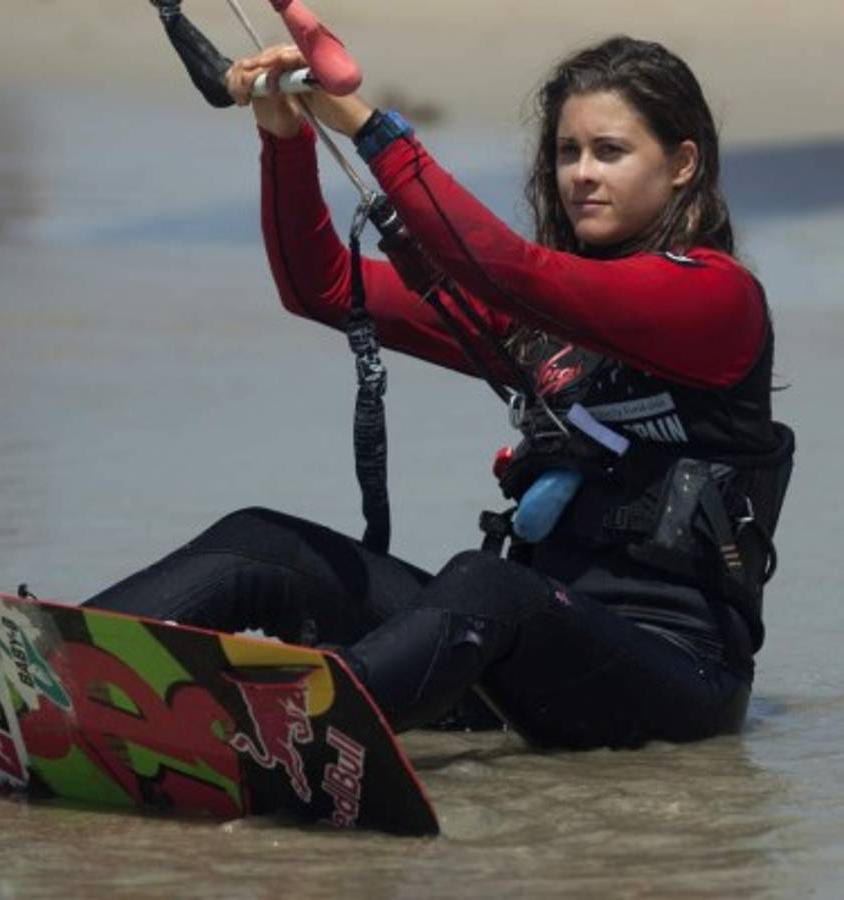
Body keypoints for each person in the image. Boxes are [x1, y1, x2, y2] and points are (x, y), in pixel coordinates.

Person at [84, 35, 794, 749]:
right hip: (526, 658)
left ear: (681, 164)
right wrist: (286, 133)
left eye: (608, 151)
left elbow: (505, 268)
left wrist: (368, 126)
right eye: (565, 151)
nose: (580, 174)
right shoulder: (540, 326)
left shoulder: (717, 299)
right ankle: (59, 677)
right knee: (260, 544)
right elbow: (324, 287)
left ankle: (286, 744)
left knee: (484, 583)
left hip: (674, 682)